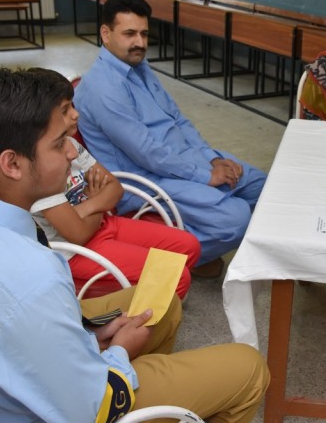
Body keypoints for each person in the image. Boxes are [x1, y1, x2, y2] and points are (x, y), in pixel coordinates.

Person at [0, 67, 269, 422]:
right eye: (58, 143)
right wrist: (118, 354)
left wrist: (90, 335)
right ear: (12, 164)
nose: (71, 152)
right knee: (249, 368)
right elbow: (92, 408)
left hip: (3, 378)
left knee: (164, 304)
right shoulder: (35, 279)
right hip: (77, 407)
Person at [75, 0, 267, 279]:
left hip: (181, 159)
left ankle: (194, 238)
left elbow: (177, 119)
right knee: (235, 219)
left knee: (261, 187)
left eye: (144, 34)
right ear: (106, 33)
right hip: (146, 178)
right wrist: (205, 176)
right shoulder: (102, 88)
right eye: (129, 34)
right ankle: (182, 256)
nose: (140, 42)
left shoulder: (138, 67)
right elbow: (146, 152)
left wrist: (212, 158)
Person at [29, 68, 200, 300]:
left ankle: (146, 299)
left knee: (189, 246)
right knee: (178, 276)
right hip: (76, 252)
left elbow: (114, 188)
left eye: (73, 106)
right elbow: (78, 235)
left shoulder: (71, 144)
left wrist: (87, 207)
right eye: (65, 110)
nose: (76, 114)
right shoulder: (39, 171)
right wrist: (97, 200)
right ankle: (134, 317)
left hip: (103, 224)